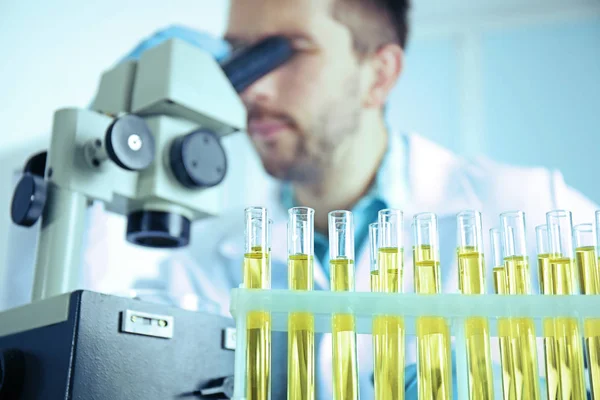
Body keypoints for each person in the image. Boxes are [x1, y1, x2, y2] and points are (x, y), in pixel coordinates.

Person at [80, 1, 598, 399]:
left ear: (379, 75)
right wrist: (96, 145)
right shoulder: (205, 256)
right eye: (239, 57)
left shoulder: (528, 209)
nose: (252, 88)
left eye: (283, 51)